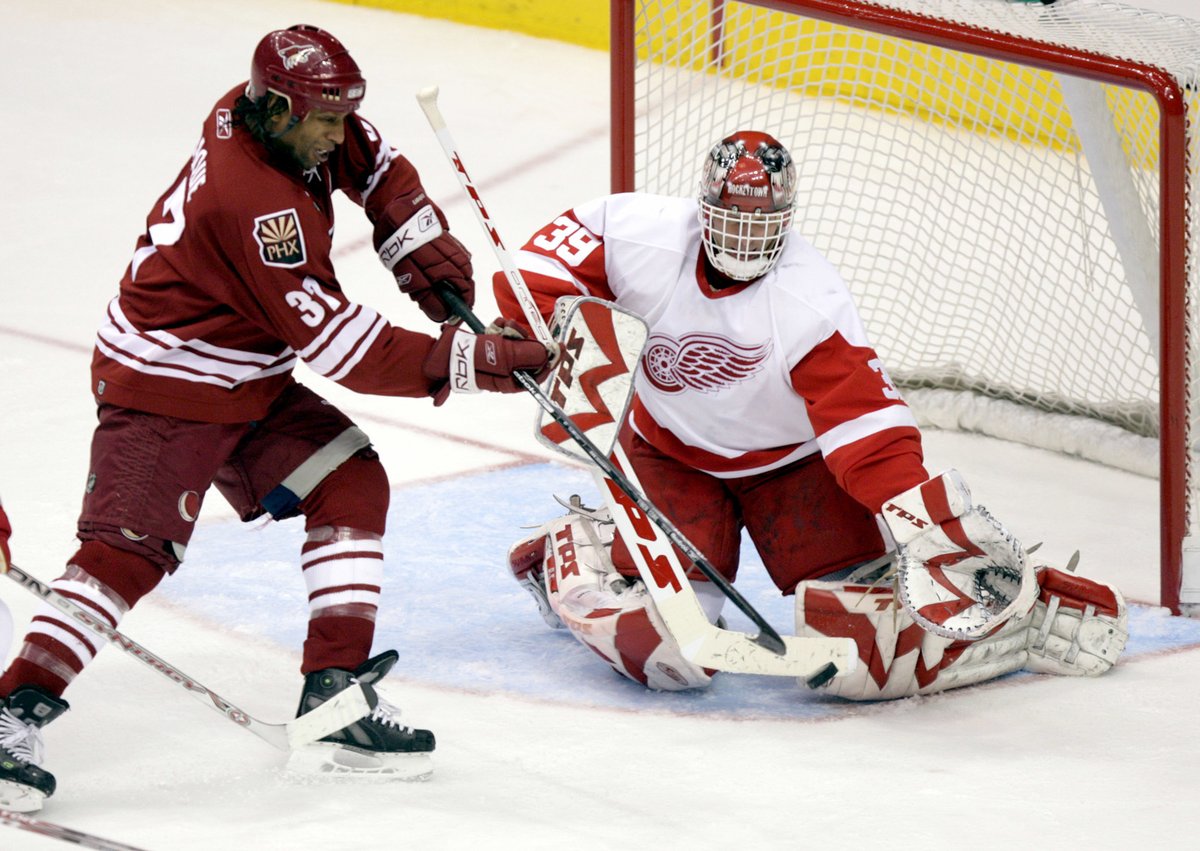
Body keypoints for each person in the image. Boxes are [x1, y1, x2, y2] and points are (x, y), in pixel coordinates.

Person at [0, 24, 551, 812]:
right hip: (166, 385)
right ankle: (10, 706)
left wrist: (415, 241)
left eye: (339, 114)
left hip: (246, 376)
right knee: (127, 553)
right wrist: (466, 361)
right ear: (281, 107)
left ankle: (334, 695)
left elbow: (376, 159)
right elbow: (338, 344)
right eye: (324, 118)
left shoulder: (277, 120)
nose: (338, 132)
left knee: (351, 483)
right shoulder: (254, 206)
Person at [498, 130, 1128, 697]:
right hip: (668, 456)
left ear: (787, 219)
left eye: (761, 222)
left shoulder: (808, 298)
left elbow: (865, 423)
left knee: (863, 648)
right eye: (730, 219)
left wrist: (921, 518)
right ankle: (575, 555)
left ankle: (1012, 619)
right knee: (666, 656)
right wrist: (542, 328)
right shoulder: (640, 233)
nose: (745, 237)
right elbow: (535, 268)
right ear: (702, 208)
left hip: (791, 474)